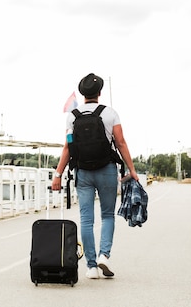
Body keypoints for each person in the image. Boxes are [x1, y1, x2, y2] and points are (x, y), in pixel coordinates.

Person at [51, 73, 139, 279]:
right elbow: (121, 142)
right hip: (107, 170)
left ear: (83, 94)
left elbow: (67, 148)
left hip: (83, 172)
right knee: (107, 215)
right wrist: (132, 169)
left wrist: (58, 174)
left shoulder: (72, 116)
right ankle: (104, 256)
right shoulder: (110, 113)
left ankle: (91, 267)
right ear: (100, 92)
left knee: (86, 219)